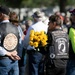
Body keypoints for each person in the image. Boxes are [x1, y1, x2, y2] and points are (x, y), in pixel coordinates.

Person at [23, 11, 48, 75]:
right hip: (43, 51)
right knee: (41, 71)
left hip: (34, 51)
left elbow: (26, 40)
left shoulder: (32, 27)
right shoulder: (46, 27)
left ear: (35, 18)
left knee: (33, 71)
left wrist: (25, 47)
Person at [0, 5, 20, 75]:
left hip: (3, 61)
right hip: (14, 60)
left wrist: (8, 53)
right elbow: (18, 42)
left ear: (1, 14)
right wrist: (14, 52)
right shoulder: (16, 28)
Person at [66, 9, 75, 75]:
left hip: (73, 58)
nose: (71, 16)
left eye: (72, 15)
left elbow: (74, 44)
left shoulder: (72, 28)